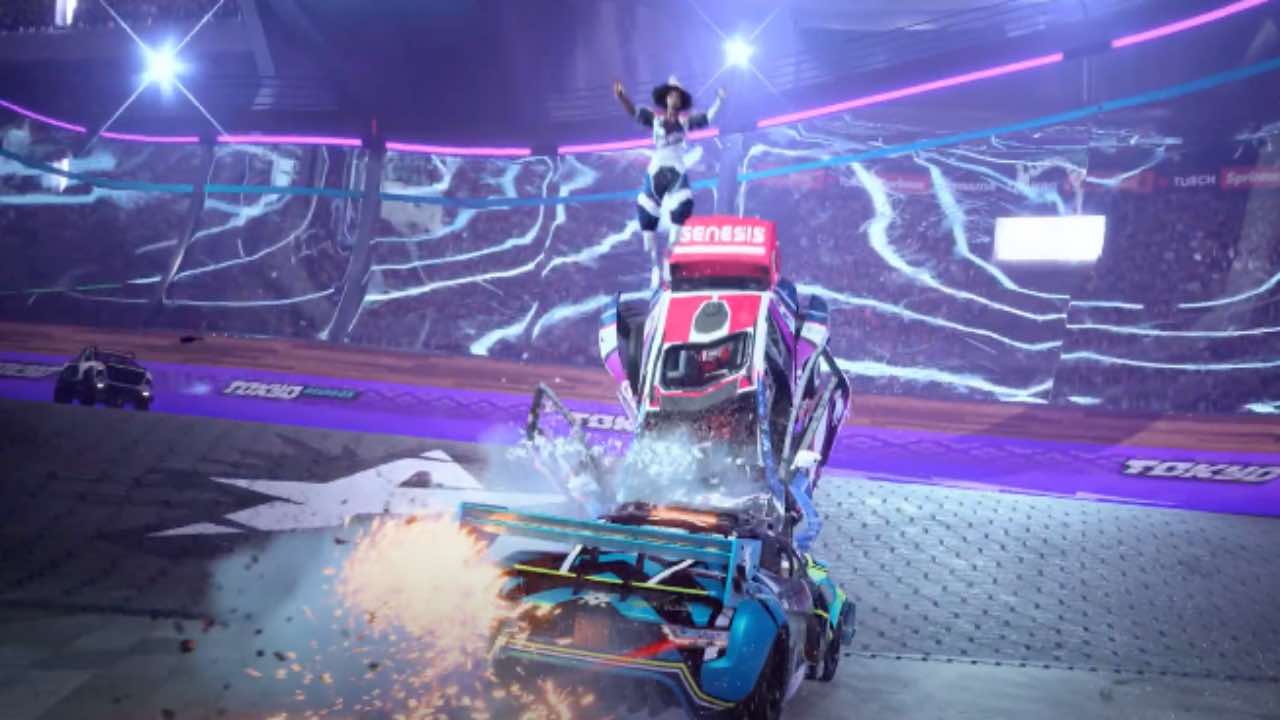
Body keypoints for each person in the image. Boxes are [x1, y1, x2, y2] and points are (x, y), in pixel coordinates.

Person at [614, 76, 726, 288]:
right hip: (656, 171)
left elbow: (707, 118)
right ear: (665, 99)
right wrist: (622, 97)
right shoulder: (654, 119)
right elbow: (634, 112)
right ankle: (654, 266)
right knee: (647, 217)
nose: (674, 99)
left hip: (676, 171)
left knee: (683, 208)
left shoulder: (685, 122)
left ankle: (668, 262)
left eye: (677, 96)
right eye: (671, 95)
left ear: (680, 101)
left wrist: (719, 100)